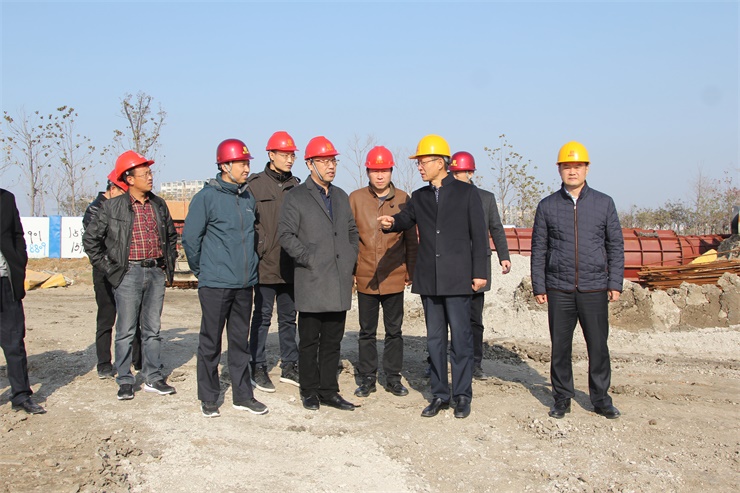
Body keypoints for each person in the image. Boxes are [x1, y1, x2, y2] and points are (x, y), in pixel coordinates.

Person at [378, 135, 488, 419]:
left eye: (423, 162)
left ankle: (462, 395)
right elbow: (406, 219)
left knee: (461, 340)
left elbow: (479, 234)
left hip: (458, 278)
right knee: (435, 341)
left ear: (440, 163)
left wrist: (480, 272)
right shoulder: (420, 196)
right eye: (418, 163)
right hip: (430, 279)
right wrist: (392, 223)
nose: (419, 167)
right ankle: (440, 394)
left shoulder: (466, 193)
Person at [531, 141, 624, 420]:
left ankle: (601, 399)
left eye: (578, 166)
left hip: (594, 287)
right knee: (560, 347)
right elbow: (539, 248)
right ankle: (562, 398)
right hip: (559, 288)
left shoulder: (604, 203)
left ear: (587, 168)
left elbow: (615, 245)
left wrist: (615, 282)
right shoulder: (547, 206)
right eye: (567, 167)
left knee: (598, 346)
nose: (573, 171)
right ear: (559, 170)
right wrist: (539, 285)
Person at [83, 150, 178, 401]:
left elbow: (170, 236)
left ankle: (153, 377)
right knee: (125, 330)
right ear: (130, 179)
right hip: (128, 273)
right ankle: (125, 379)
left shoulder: (159, 205)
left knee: (152, 329)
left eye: (150, 173)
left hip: (155, 272)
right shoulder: (112, 207)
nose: (150, 177)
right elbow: (91, 240)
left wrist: (166, 264)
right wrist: (110, 268)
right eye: (144, 174)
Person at [182, 138, 267, 418]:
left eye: (247, 163)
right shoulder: (206, 198)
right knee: (210, 342)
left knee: (240, 343)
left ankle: (243, 396)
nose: (247, 168)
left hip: (244, 284)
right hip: (216, 284)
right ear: (225, 165)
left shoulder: (247, 198)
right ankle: (209, 397)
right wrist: (204, 271)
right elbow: (191, 239)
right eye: (241, 163)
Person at [278, 136, 360, 411]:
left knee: (333, 341)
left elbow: (352, 231)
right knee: (309, 341)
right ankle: (309, 390)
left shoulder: (341, 196)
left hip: (337, 279)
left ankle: (329, 390)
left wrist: (349, 258)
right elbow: (286, 235)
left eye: (333, 160)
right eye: (324, 161)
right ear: (310, 164)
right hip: (312, 279)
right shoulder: (296, 196)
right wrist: (308, 259)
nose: (331, 166)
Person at [349, 146, 417, 398]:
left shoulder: (404, 199)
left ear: (391, 171)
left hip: (394, 274)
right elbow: (349, 239)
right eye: (375, 170)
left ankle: (393, 378)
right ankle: (367, 378)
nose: (380, 175)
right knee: (366, 331)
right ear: (367, 171)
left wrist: (411, 270)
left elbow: (411, 240)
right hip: (366, 274)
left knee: (394, 331)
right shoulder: (355, 199)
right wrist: (351, 272)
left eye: (385, 170)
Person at [247, 131, 301, 393]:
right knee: (262, 317)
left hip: (290, 264)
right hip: (265, 263)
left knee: (289, 318)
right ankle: (257, 365)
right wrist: (258, 250)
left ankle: (290, 364)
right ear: (271, 155)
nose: (289, 159)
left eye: (292, 155)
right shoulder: (255, 185)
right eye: (284, 154)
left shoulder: (297, 186)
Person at [449, 151, 511, 380]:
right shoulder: (444, 198)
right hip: (452, 266)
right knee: (448, 318)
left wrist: (504, 256)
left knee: (474, 319)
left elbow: (496, 228)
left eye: (460, 173)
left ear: (471, 173)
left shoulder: (485, 198)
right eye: (453, 173)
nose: (455, 177)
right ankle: (438, 360)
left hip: (478, 266)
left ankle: (475, 363)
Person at [83, 173, 142, 379]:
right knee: (107, 317)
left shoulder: (124, 207)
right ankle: (104, 363)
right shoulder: (94, 210)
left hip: (125, 269)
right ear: (113, 189)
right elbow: (96, 243)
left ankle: (138, 359)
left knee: (132, 315)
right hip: (105, 271)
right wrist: (107, 266)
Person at [0, 188, 46, 414]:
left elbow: (17, 235)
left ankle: (20, 395)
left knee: (14, 341)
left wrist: (19, 262)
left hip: (5, 282)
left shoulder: (6, 198)